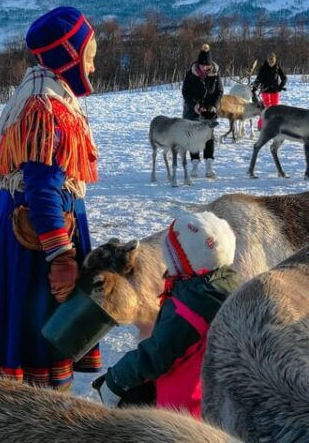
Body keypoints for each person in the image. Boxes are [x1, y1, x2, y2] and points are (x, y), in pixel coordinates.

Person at [0, 6, 101, 390]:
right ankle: (39, 407)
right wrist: (62, 256)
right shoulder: (47, 108)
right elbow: (41, 186)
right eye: (89, 57)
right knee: (38, 324)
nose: (94, 66)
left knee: (18, 321)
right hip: (37, 234)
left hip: (25, 222)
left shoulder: (44, 93)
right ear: (67, 57)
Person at [92, 211, 240, 417]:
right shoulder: (224, 285)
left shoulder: (188, 308)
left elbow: (155, 355)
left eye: (168, 254)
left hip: (183, 406)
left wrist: (115, 380)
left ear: (181, 261)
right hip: (206, 394)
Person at [181, 44, 223, 178]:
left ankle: (209, 166)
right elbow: (185, 92)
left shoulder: (215, 74)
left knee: (208, 136)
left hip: (209, 110)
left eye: (207, 66)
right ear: (198, 64)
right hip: (192, 110)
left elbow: (219, 92)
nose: (204, 68)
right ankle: (194, 166)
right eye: (202, 65)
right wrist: (194, 104)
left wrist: (214, 105)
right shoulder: (191, 74)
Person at [252, 52, 287, 130]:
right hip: (265, 90)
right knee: (266, 109)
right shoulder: (263, 68)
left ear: (275, 61)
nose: (271, 64)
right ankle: (261, 125)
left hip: (275, 91)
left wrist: (280, 86)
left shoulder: (277, 67)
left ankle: (273, 125)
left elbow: (284, 78)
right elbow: (258, 80)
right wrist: (254, 89)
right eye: (269, 62)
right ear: (267, 60)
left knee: (275, 109)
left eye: (272, 62)